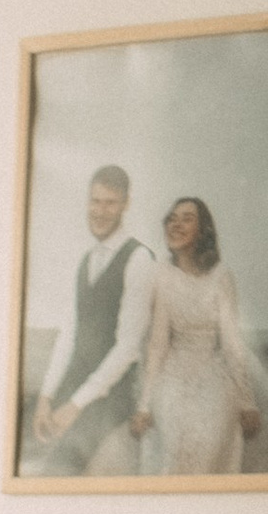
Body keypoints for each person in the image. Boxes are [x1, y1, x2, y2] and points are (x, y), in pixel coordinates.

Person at [27, 163, 152, 476]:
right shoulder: (85, 261)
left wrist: (75, 405)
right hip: (80, 384)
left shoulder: (138, 259)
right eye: (95, 201)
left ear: (125, 204)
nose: (100, 211)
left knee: (63, 469)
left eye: (110, 203)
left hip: (113, 393)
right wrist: (46, 397)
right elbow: (69, 335)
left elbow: (127, 349)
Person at [129, 195, 262, 477]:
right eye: (172, 219)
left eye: (187, 219)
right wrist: (144, 405)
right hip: (172, 373)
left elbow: (231, 343)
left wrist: (247, 402)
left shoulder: (222, 276)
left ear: (203, 231)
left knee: (213, 431)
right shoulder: (161, 275)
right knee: (175, 433)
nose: (176, 225)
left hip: (214, 372)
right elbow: (158, 343)